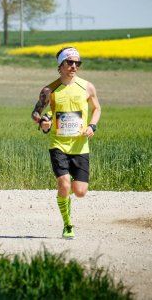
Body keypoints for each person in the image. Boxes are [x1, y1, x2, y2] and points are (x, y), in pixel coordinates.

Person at [31, 46, 101, 239]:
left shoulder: (87, 87)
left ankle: (69, 200)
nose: (73, 66)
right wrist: (43, 122)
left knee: (79, 192)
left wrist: (92, 126)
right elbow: (36, 113)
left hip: (80, 145)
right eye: (69, 62)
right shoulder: (49, 90)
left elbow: (97, 109)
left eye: (77, 63)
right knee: (64, 185)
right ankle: (68, 224)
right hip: (58, 144)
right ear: (60, 65)